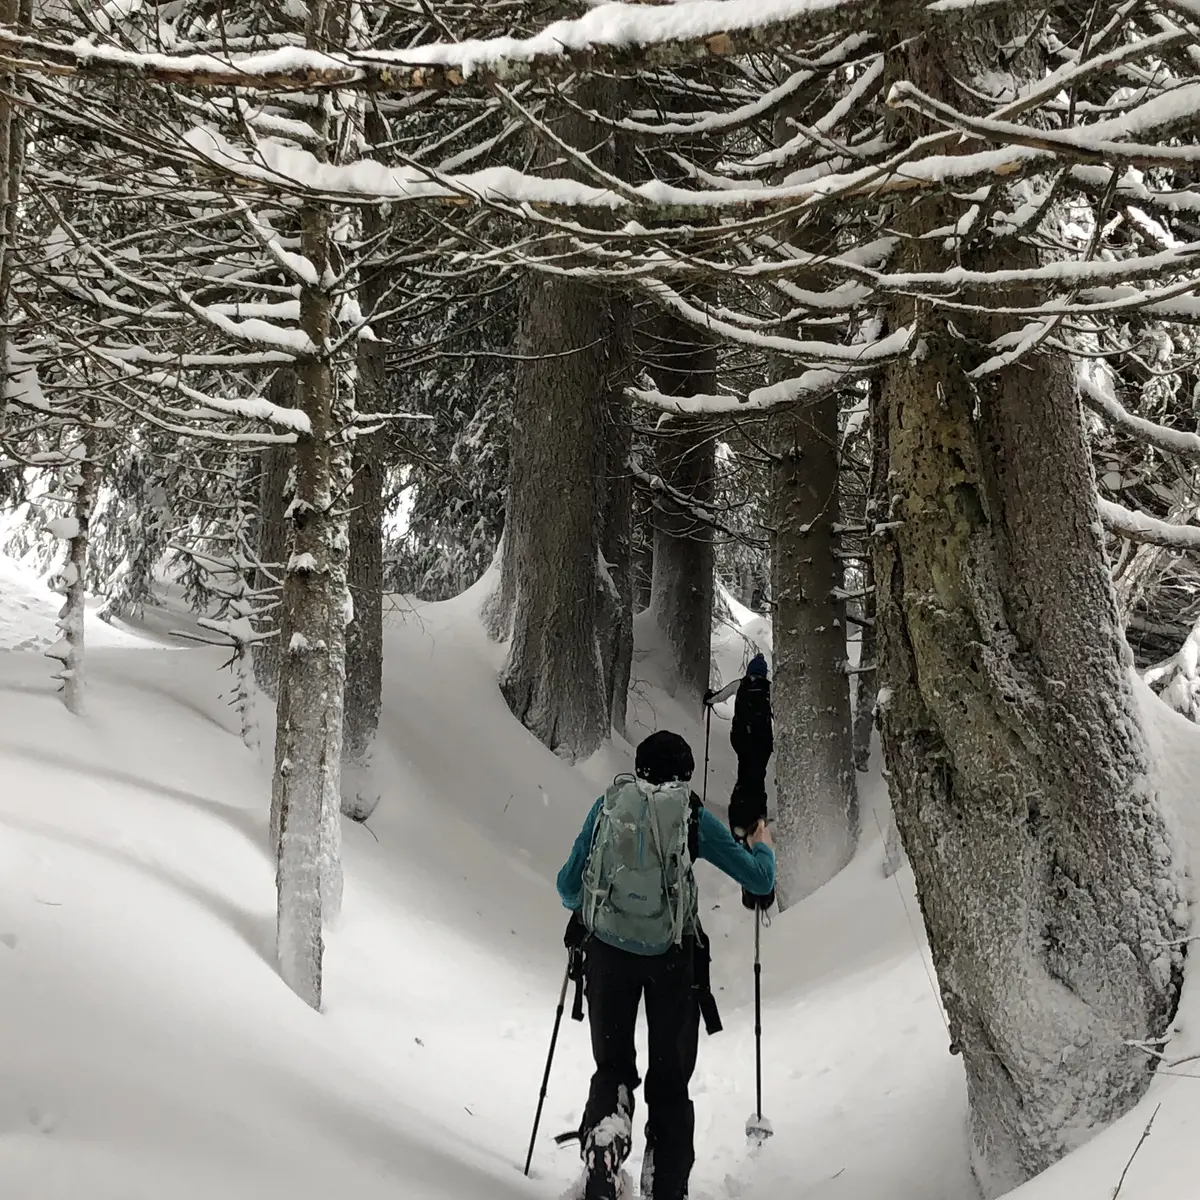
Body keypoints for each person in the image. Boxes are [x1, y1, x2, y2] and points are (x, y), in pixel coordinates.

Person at [557, 730, 775, 1200]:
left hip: (608, 954)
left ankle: (606, 1141)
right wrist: (763, 845)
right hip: (673, 959)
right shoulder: (689, 812)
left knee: (612, 1065)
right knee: (670, 1081)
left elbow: (567, 887)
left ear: (638, 769)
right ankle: (666, 1182)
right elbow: (758, 880)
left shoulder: (610, 805)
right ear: (685, 777)